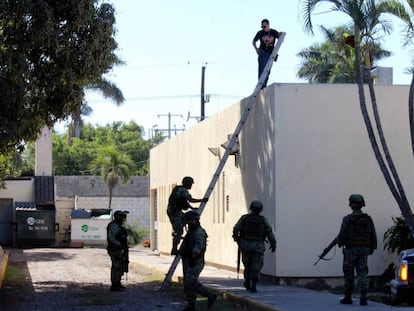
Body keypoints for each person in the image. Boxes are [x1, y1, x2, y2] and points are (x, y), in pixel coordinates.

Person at [337, 194, 377, 306]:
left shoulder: (347, 219)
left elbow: (342, 234)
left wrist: (340, 243)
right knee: (362, 273)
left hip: (350, 250)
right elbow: (372, 234)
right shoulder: (367, 219)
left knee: (349, 274)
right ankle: (363, 296)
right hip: (364, 250)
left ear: (352, 204)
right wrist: (372, 247)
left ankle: (348, 297)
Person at [232, 200, 276, 293]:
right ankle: (254, 285)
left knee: (247, 265)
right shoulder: (262, 220)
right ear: (260, 210)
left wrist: (238, 240)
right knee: (256, 266)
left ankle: (247, 281)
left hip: (246, 245)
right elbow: (269, 232)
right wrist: (273, 243)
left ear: (251, 208)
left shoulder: (244, 218)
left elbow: (236, 229)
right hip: (258, 246)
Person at [180, 210, 217, 311]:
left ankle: (209, 295)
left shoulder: (199, 232)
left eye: (191, 220)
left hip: (195, 260)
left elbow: (198, 246)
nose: (189, 223)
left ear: (196, 220)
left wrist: (193, 257)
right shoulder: (191, 231)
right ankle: (191, 305)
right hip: (187, 259)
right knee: (187, 284)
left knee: (190, 281)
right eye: (188, 221)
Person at [167, 176, 208, 255]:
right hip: (174, 211)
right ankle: (174, 249)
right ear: (187, 183)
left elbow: (184, 202)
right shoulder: (183, 190)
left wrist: (192, 208)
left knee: (186, 219)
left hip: (176, 210)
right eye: (190, 184)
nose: (191, 186)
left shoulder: (179, 189)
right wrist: (202, 200)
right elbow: (190, 200)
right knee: (178, 230)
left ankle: (179, 237)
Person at [252, 19, 281, 88]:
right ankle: (261, 86)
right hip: (262, 53)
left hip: (271, 55)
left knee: (267, 71)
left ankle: (264, 86)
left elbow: (279, 37)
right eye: (262, 27)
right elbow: (253, 41)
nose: (263, 28)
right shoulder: (260, 33)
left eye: (264, 26)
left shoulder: (273, 32)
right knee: (262, 70)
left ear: (268, 25)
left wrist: (280, 34)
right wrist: (256, 49)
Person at [107, 210, 129, 292]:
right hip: (115, 249)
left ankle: (118, 283)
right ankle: (114, 285)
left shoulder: (119, 225)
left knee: (120, 266)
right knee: (116, 267)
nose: (124, 218)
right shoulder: (113, 226)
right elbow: (111, 238)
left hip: (120, 249)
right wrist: (119, 245)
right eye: (122, 217)